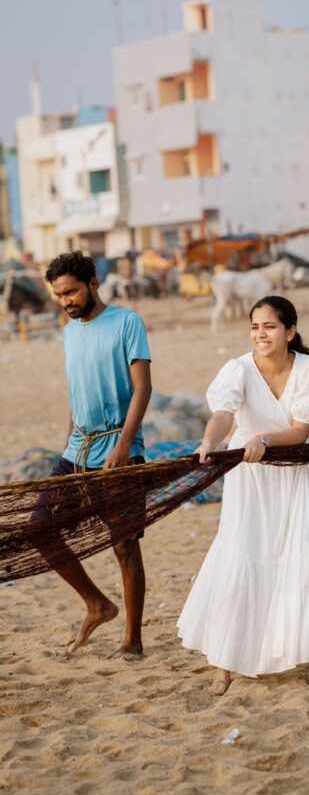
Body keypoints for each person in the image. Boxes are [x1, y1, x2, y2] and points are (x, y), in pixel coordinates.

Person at [177, 295, 309, 695]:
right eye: (254, 327)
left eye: (269, 326)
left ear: (290, 331)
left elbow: (300, 430)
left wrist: (263, 438)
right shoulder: (238, 369)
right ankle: (225, 663)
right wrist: (209, 442)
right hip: (250, 480)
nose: (260, 334)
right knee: (241, 561)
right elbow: (224, 415)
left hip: (296, 476)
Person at [43, 251, 152, 657]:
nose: (65, 301)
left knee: (124, 545)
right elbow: (78, 391)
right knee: (40, 527)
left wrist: (124, 446)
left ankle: (132, 639)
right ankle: (97, 604)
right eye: (58, 295)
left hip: (120, 447)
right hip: (77, 450)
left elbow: (143, 387)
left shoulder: (127, 322)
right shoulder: (69, 332)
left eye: (71, 291)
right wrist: (68, 442)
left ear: (92, 284)